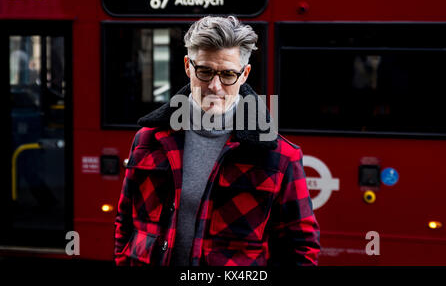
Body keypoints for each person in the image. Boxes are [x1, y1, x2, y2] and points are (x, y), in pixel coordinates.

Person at [114, 16, 320, 266]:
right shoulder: (147, 140)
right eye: (205, 71)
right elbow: (125, 223)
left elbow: (301, 247)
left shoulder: (280, 156)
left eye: (227, 74)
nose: (215, 86)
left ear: (244, 74)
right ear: (188, 67)